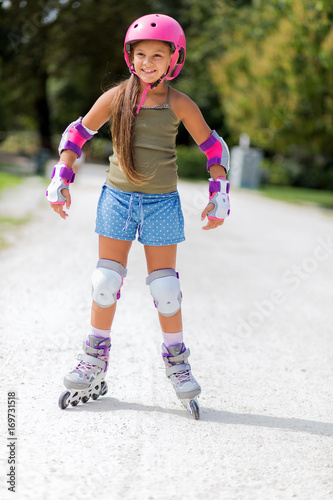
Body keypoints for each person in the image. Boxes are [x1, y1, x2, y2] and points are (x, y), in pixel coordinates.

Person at [47, 14, 230, 414]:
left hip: (162, 202)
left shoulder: (180, 103)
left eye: (157, 55)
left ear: (174, 59)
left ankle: (178, 364)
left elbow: (214, 148)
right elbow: (77, 133)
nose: (148, 62)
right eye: (141, 54)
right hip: (118, 199)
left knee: (165, 289)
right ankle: (94, 360)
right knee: (104, 281)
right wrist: (61, 176)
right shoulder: (117, 97)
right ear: (130, 57)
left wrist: (220, 192)